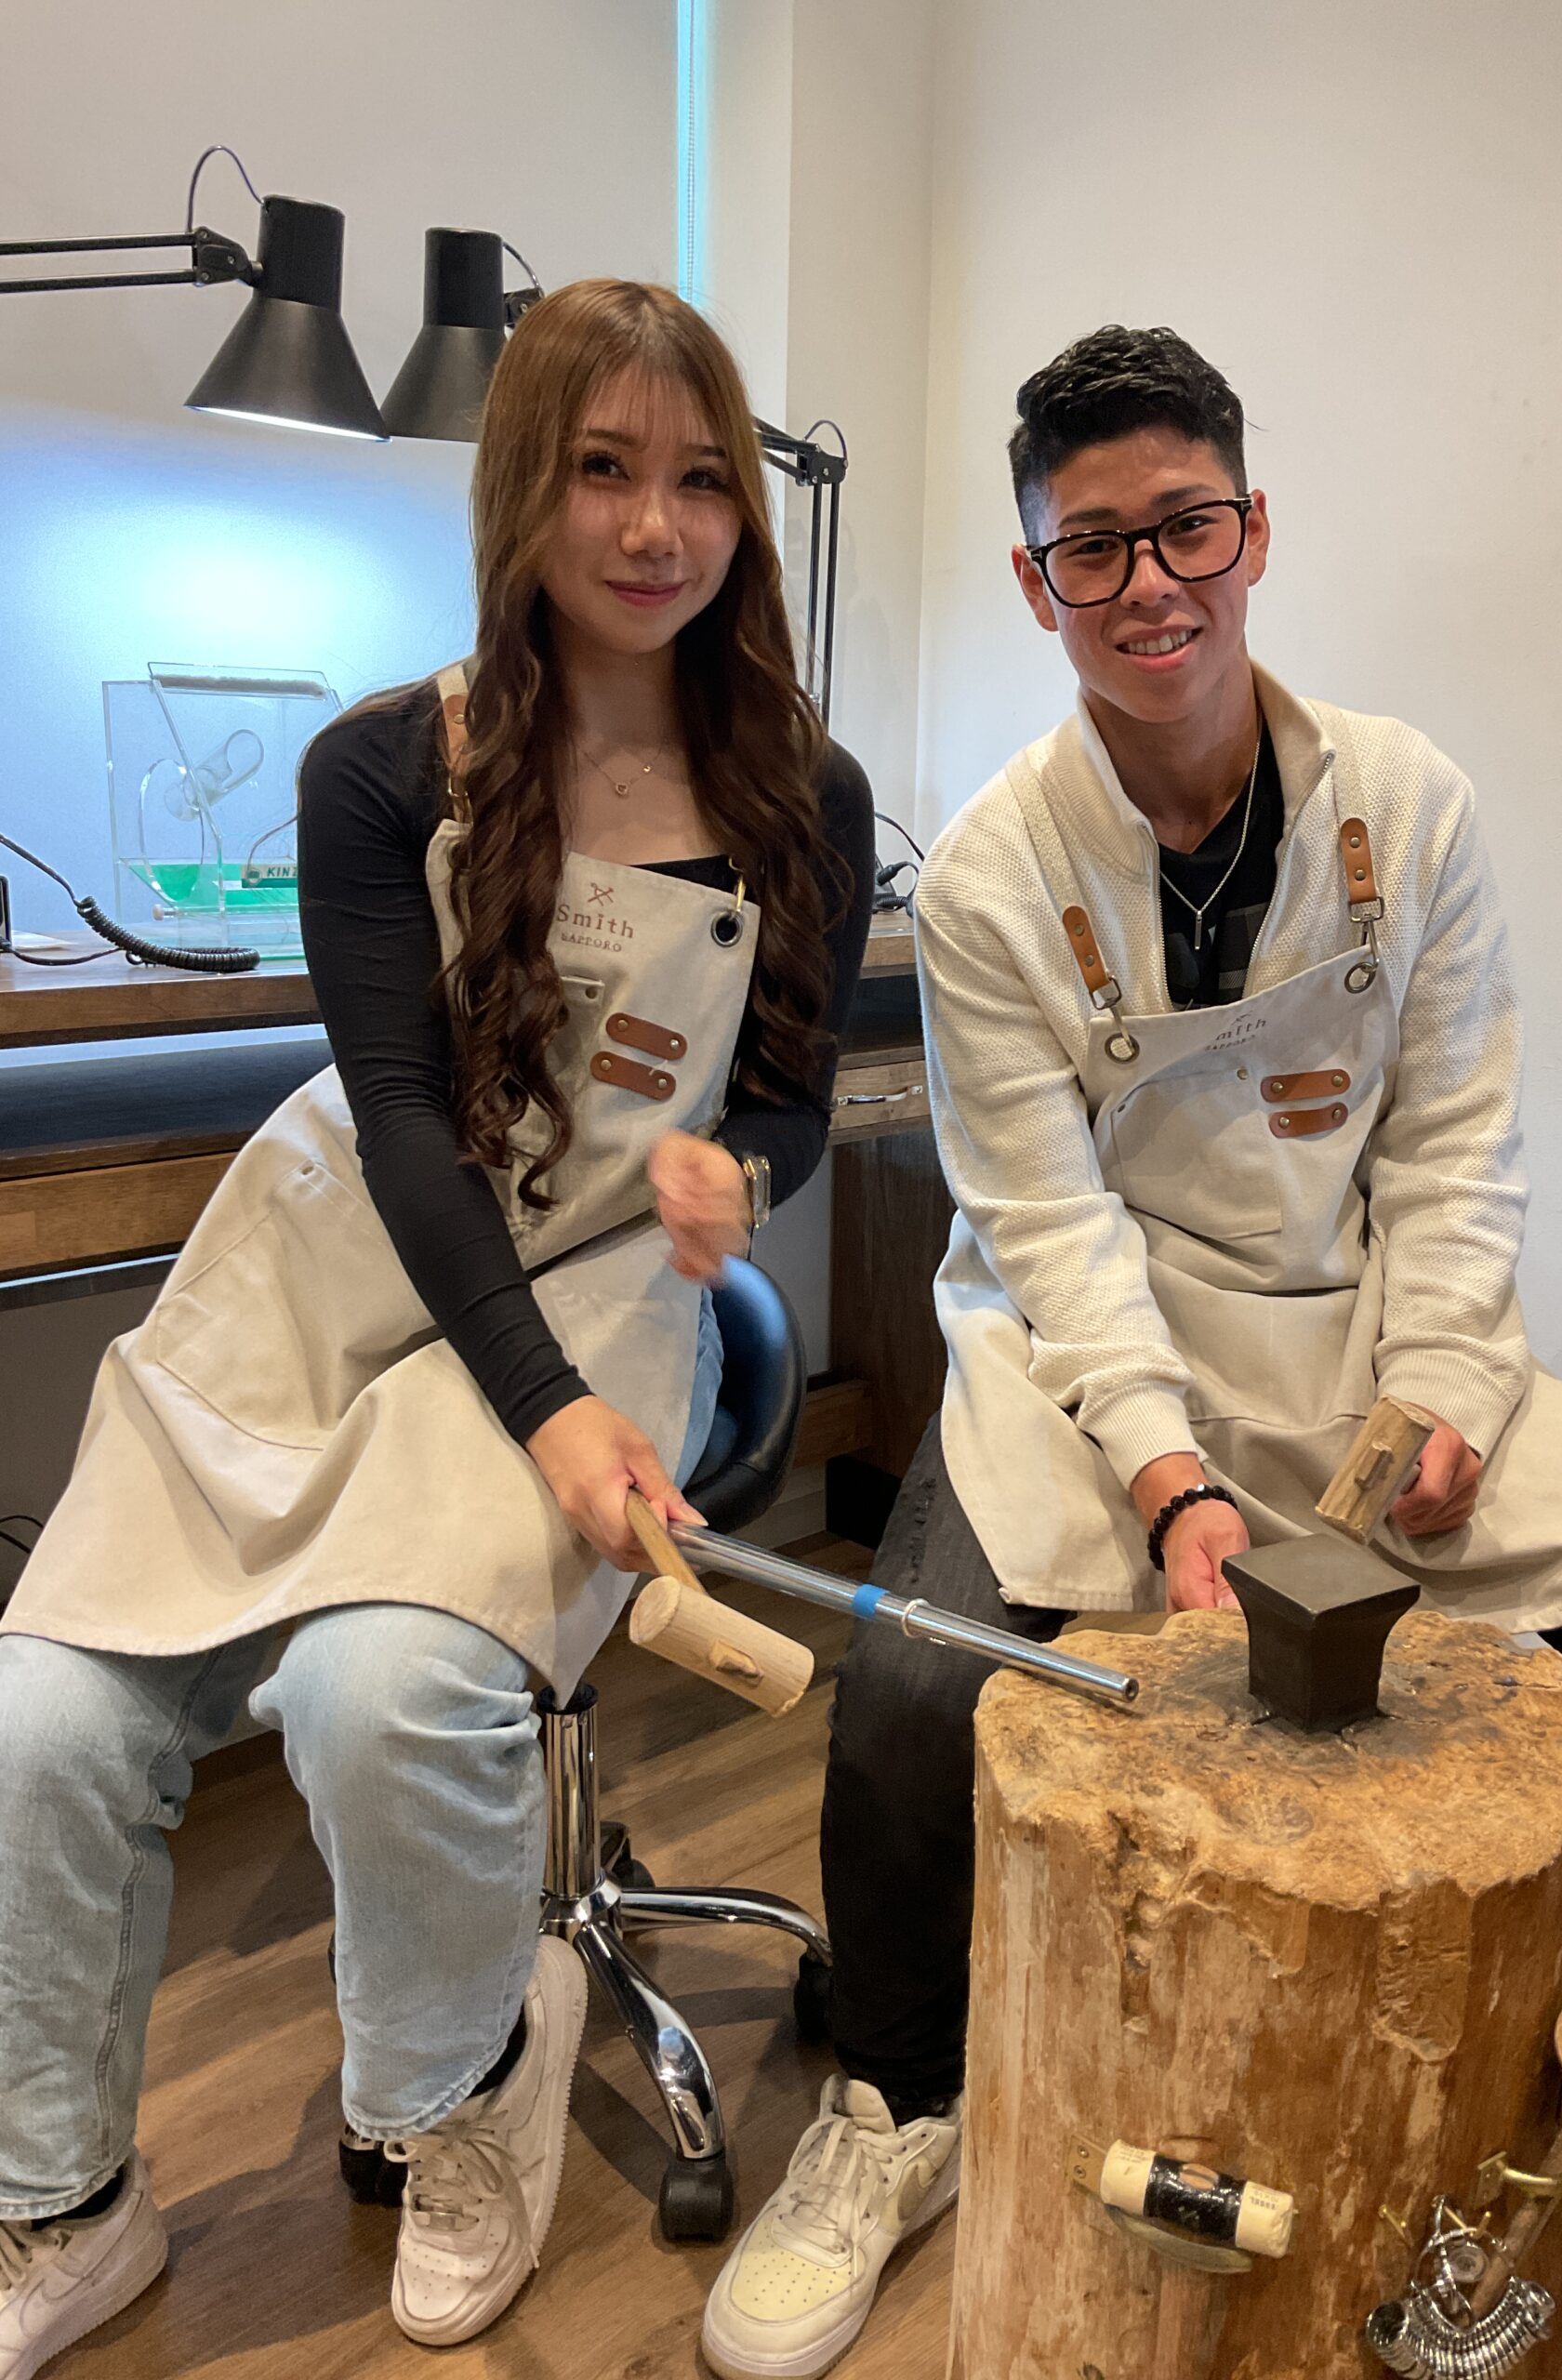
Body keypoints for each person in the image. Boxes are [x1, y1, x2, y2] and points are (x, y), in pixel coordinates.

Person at [703, 324, 1562, 2380]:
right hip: (1085, 1356)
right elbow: (1047, 1223)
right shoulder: (998, 872)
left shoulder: (1410, 804)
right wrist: (1165, 1468)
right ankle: (898, 2101)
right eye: (1092, 546)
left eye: (1185, 525)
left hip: (1366, 1340)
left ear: (1255, 530)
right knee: (914, 1690)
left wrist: (1449, 1380)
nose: (1148, 582)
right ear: (1035, 580)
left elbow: (1454, 1145)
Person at [0, 277, 874, 2373]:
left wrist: (740, 1170)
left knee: (384, 1691)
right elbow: (403, 1115)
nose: (654, 526)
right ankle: (61, 2199)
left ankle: (463, 2085)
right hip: (350, 1254)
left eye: (700, 480)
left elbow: (784, 1099)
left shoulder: (803, 790)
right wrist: (543, 1411)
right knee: (39, 1724)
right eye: (602, 469)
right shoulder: (382, 766)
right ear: (519, 490)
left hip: (607, 1276)